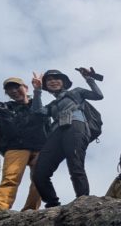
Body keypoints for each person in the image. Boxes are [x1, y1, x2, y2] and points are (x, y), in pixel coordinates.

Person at [31, 67, 103, 208]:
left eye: (56, 78)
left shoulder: (76, 92)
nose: (53, 81)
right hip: (56, 131)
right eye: (49, 80)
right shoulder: (52, 105)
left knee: (75, 164)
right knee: (39, 172)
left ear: (64, 81)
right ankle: (52, 204)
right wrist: (37, 90)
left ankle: (83, 201)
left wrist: (88, 78)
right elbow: (37, 112)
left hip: (76, 126)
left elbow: (98, 95)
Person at [0, 77, 48, 211]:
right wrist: (3, 114)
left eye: (17, 87)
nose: (13, 91)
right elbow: (5, 131)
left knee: (40, 179)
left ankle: (31, 209)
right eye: (9, 89)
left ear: (26, 88)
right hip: (16, 147)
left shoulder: (38, 104)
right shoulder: (4, 108)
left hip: (40, 147)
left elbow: (47, 126)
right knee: (10, 178)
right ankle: (0, 208)